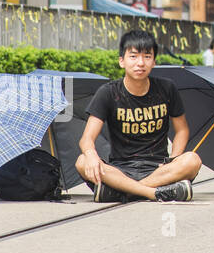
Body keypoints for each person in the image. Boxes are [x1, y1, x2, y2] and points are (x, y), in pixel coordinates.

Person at [76, 29, 200, 202]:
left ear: (154, 62)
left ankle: (123, 192)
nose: (140, 63)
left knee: (192, 160)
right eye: (133, 56)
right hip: (120, 169)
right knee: (82, 161)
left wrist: (172, 159)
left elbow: (182, 130)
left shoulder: (167, 89)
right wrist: (91, 155)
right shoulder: (108, 92)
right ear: (122, 61)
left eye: (147, 57)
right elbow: (86, 138)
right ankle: (152, 192)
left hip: (158, 168)